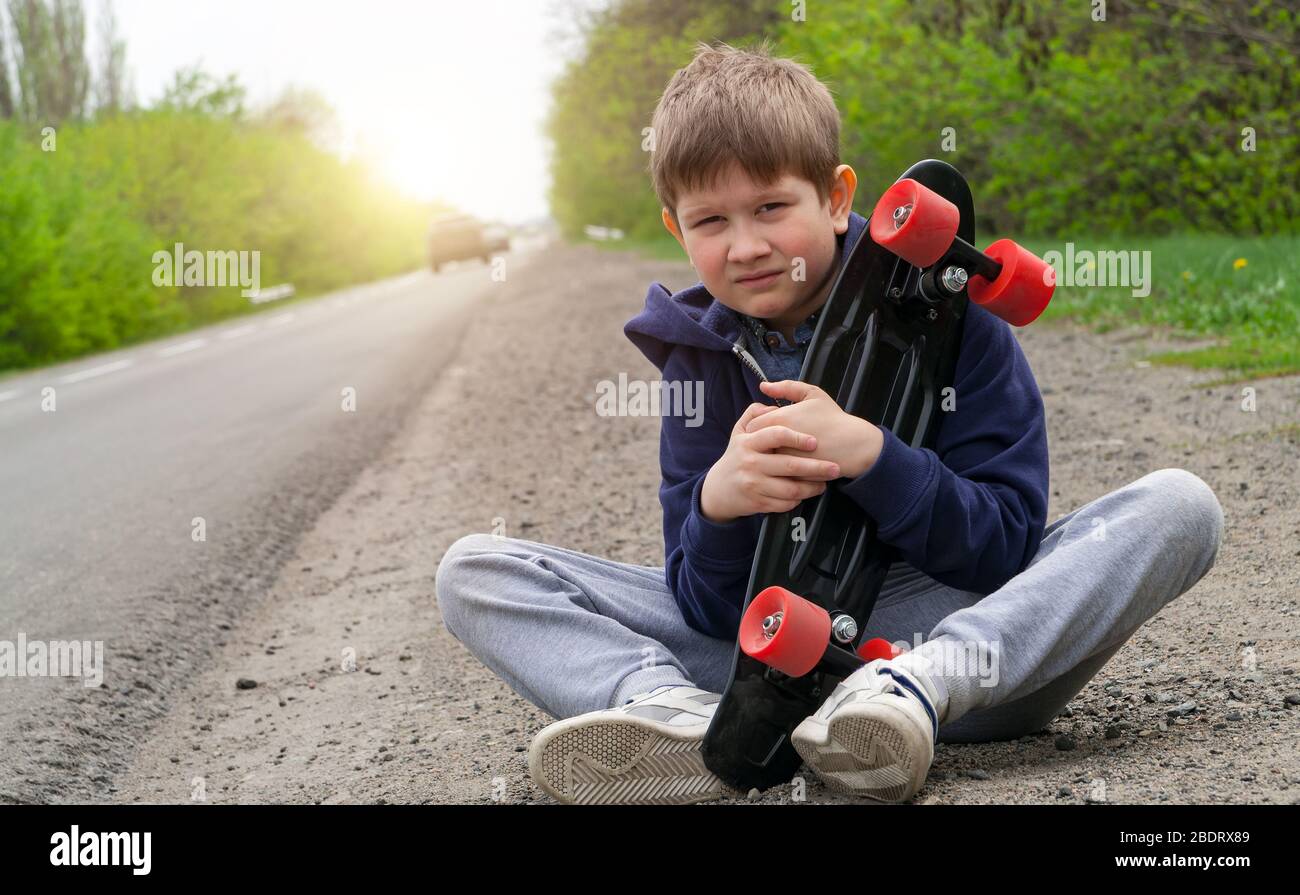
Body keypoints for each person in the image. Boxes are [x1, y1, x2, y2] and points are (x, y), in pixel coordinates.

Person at [433, 41, 1224, 805]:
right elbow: (705, 608)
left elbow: (1004, 545)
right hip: (763, 662)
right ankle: (673, 715)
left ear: (837, 196)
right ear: (676, 229)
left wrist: (875, 457)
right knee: (473, 569)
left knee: (1180, 505)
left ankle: (901, 698)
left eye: (772, 207)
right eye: (711, 222)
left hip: (962, 646)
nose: (746, 246)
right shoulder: (698, 360)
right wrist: (718, 503)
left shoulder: (953, 320)